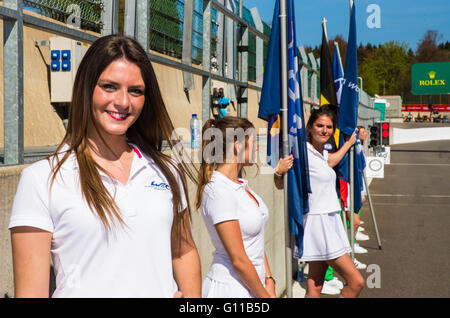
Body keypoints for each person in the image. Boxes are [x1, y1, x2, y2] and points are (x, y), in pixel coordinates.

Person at [9, 35, 201, 298]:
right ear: (86, 88)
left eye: (136, 91)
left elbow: (183, 251)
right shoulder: (42, 179)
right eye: (110, 86)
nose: (123, 102)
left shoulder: (166, 170)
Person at [196, 116, 276, 298]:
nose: (257, 147)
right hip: (230, 289)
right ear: (238, 145)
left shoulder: (239, 185)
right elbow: (239, 260)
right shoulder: (218, 190)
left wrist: (269, 279)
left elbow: (255, 241)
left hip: (254, 286)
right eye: (254, 141)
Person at [303, 106, 364, 298]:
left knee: (315, 286)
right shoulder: (303, 152)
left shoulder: (320, 153)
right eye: (319, 126)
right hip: (319, 222)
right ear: (309, 127)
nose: (324, 130)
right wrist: (278, 172)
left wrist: (347, 144)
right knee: (356, 282)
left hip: (329, 218)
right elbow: (282, 179)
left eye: (329, 127)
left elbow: (330, 162)